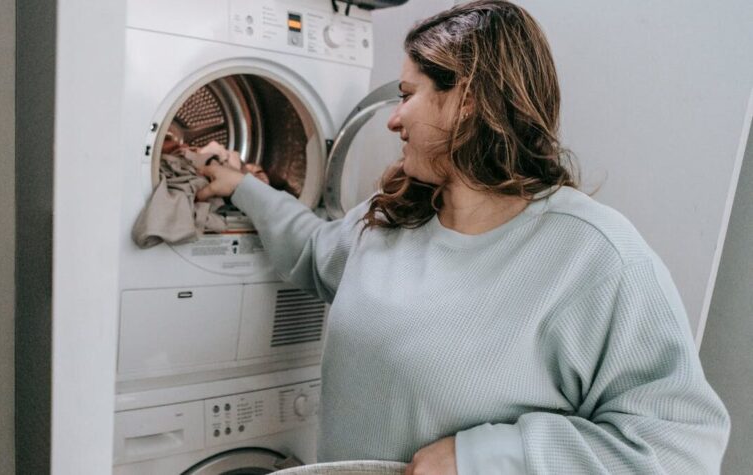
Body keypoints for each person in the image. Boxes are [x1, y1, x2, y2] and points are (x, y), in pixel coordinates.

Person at [195, 1, 730, 473]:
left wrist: (487, 459)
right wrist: (243, 186)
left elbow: (679, 447)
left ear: (467, 100)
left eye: (408, 95)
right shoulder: (396, 217)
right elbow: (314, 251)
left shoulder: (592, 255)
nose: (394, 119)